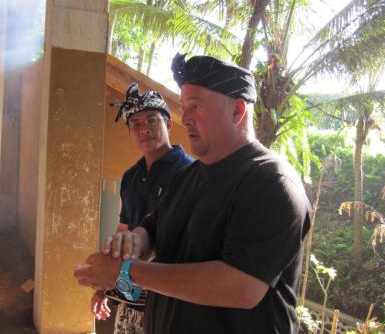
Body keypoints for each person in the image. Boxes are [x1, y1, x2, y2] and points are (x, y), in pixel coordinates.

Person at [75, 54, 311, 333]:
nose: (184, 118)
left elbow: (242, 286)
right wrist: (131, 242)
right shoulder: (189, 176)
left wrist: (125, 272)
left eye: (195, 107)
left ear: (237, 111)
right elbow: (153, 226)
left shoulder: (271, 182)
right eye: (183, 107)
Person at [92, 83, 193, 333]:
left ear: (168, 124)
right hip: (130, 294)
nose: (144, 129)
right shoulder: (130, 177)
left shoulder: (189, 174)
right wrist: (103, 284)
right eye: (135, 123)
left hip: (170, 301)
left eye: (152, 120)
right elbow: (123, 230)